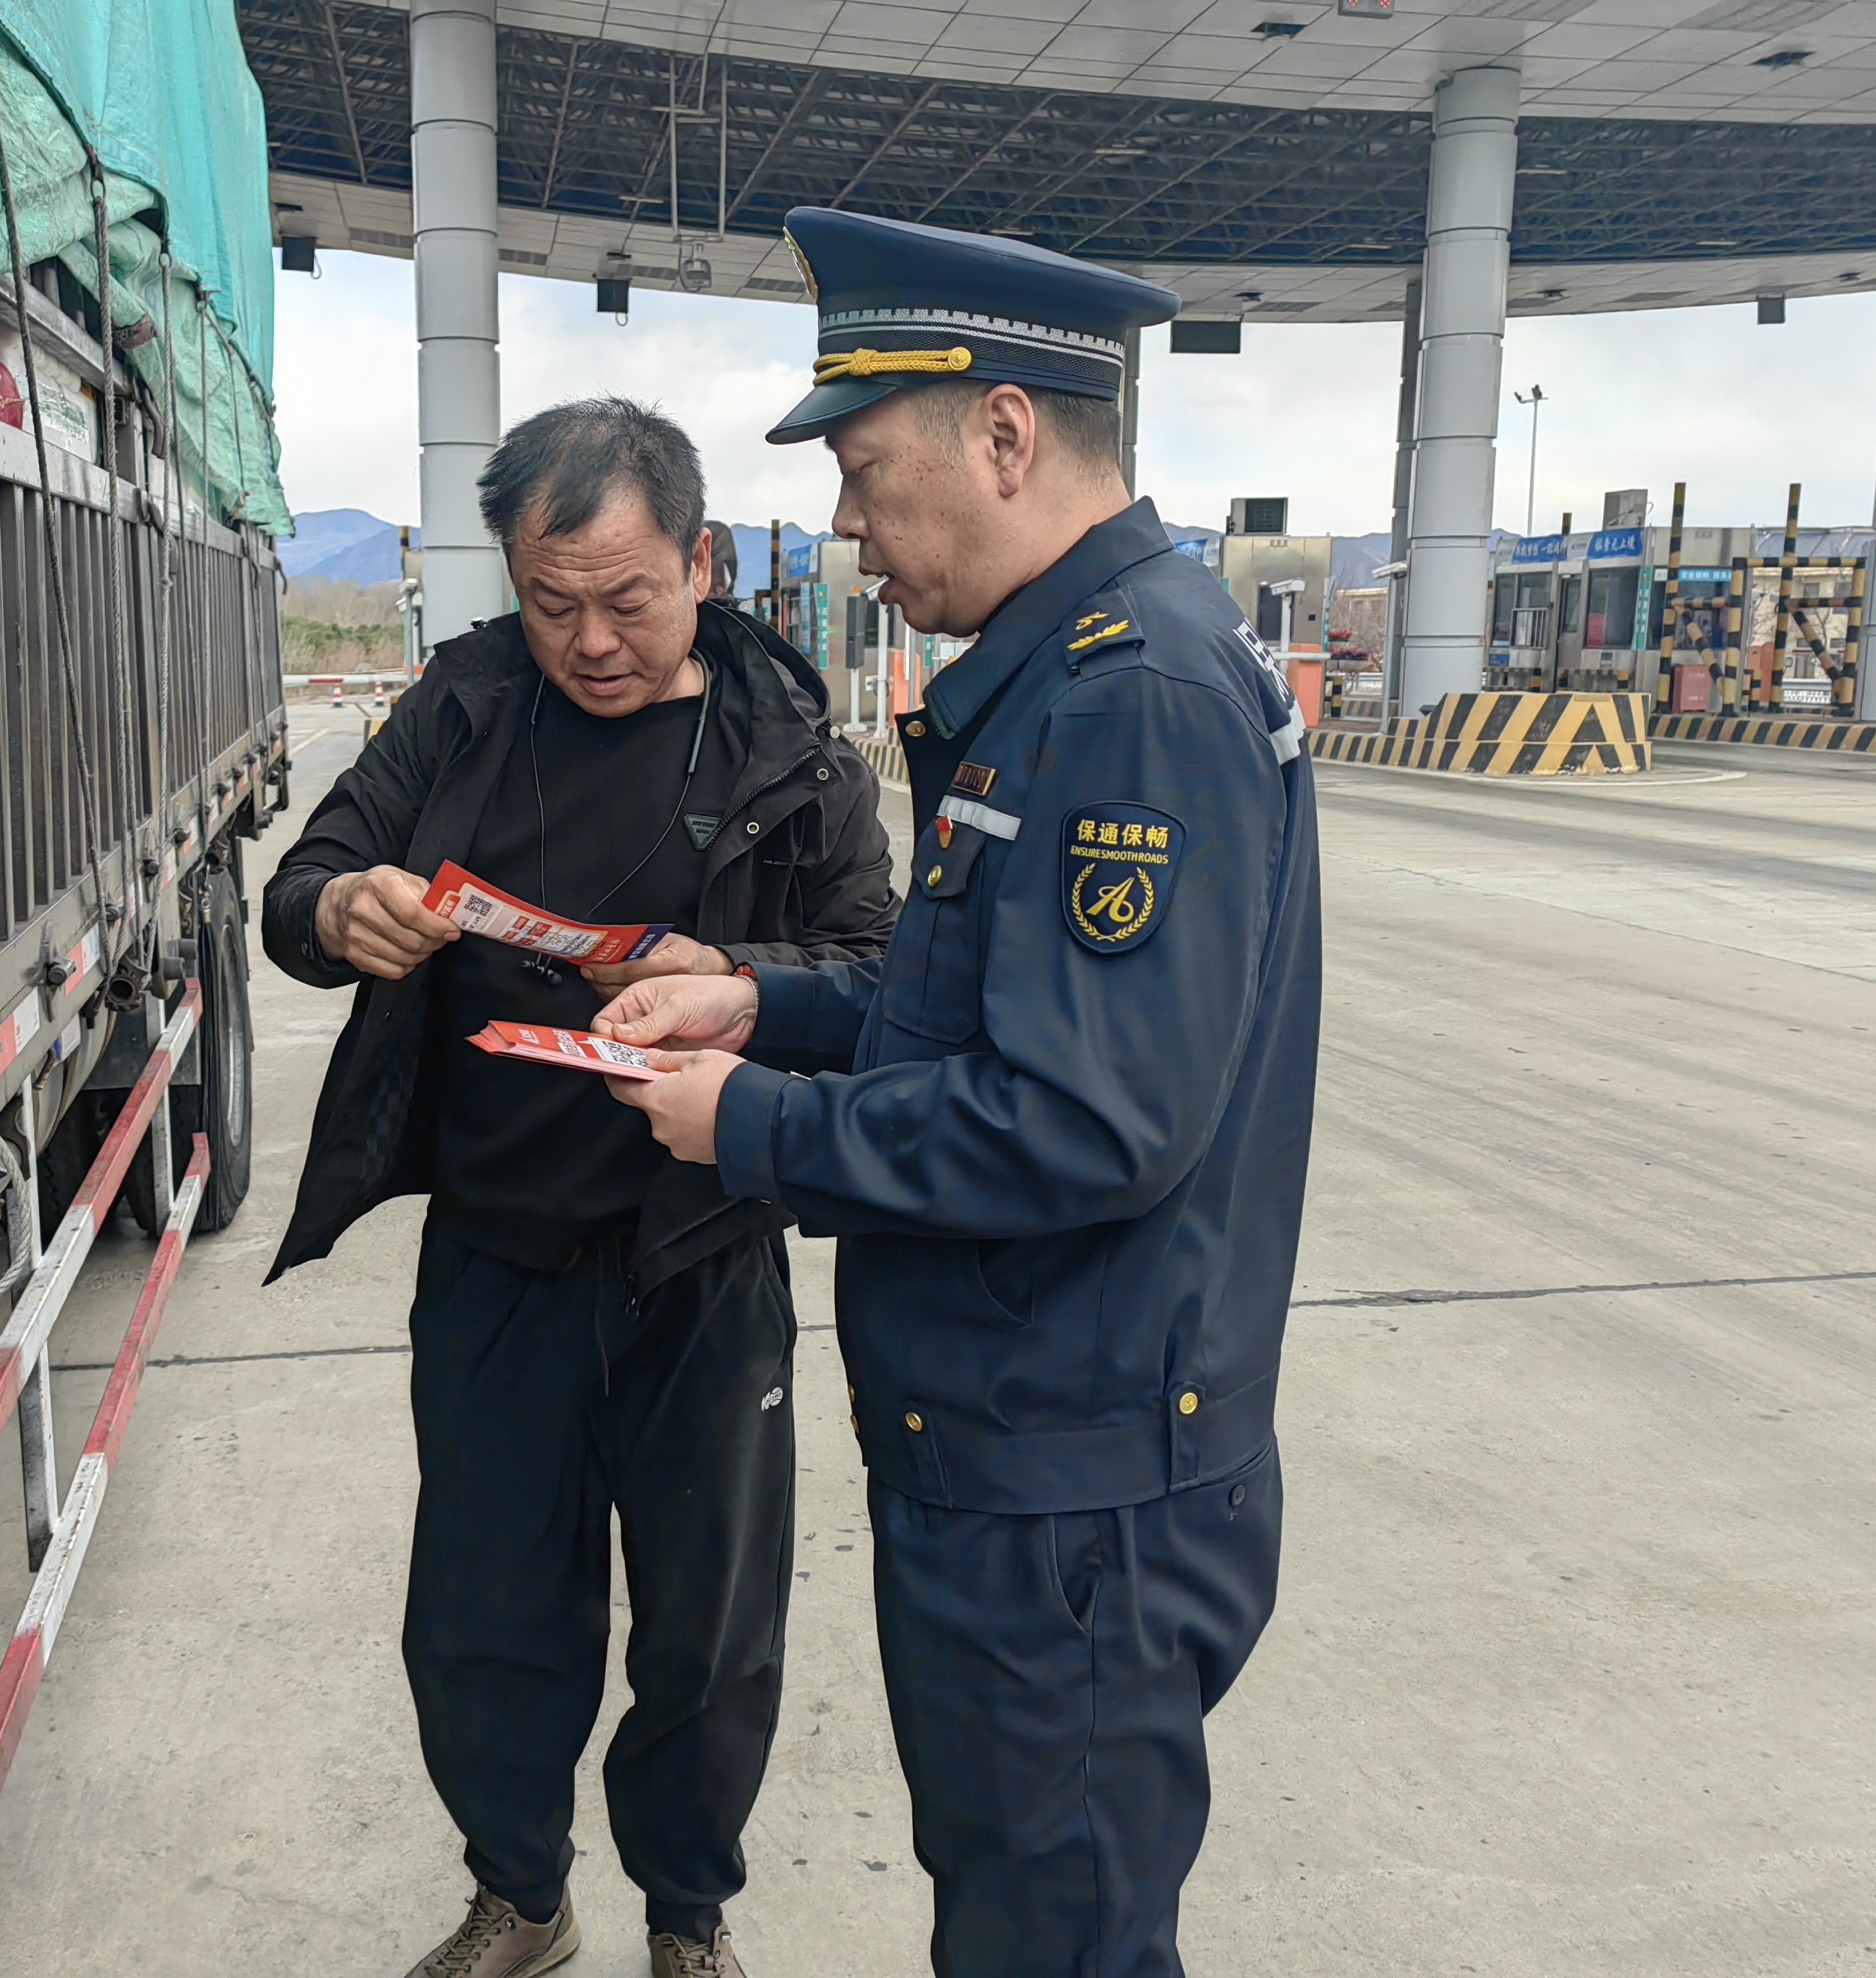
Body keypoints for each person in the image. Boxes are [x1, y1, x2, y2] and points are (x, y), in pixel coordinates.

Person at [594, 208, 1323, 1977]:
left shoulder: (1131, 699)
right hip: (1033, 1458)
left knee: (1047, 1941)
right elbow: (978, 1012)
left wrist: (750, 1129)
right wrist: (759, 1003)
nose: (848, 525)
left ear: (1002, 434)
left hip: (1072, 1494)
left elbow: (1085, 1120)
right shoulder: (1063, 677)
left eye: (861, 470)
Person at [261, 397, 897, 1978]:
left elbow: (883, 979)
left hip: (702, 1260)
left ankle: (687, 1918)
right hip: (498, 1255)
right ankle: (521, 1898)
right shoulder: (463, 710)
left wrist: (738, 978)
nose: (591, 642)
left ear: (701, 562)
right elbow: (299, 885)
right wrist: (341, 910)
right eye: (552, 604)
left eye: (626, 599)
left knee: (707, 1626)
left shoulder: (787, 751)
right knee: (484, 1611)